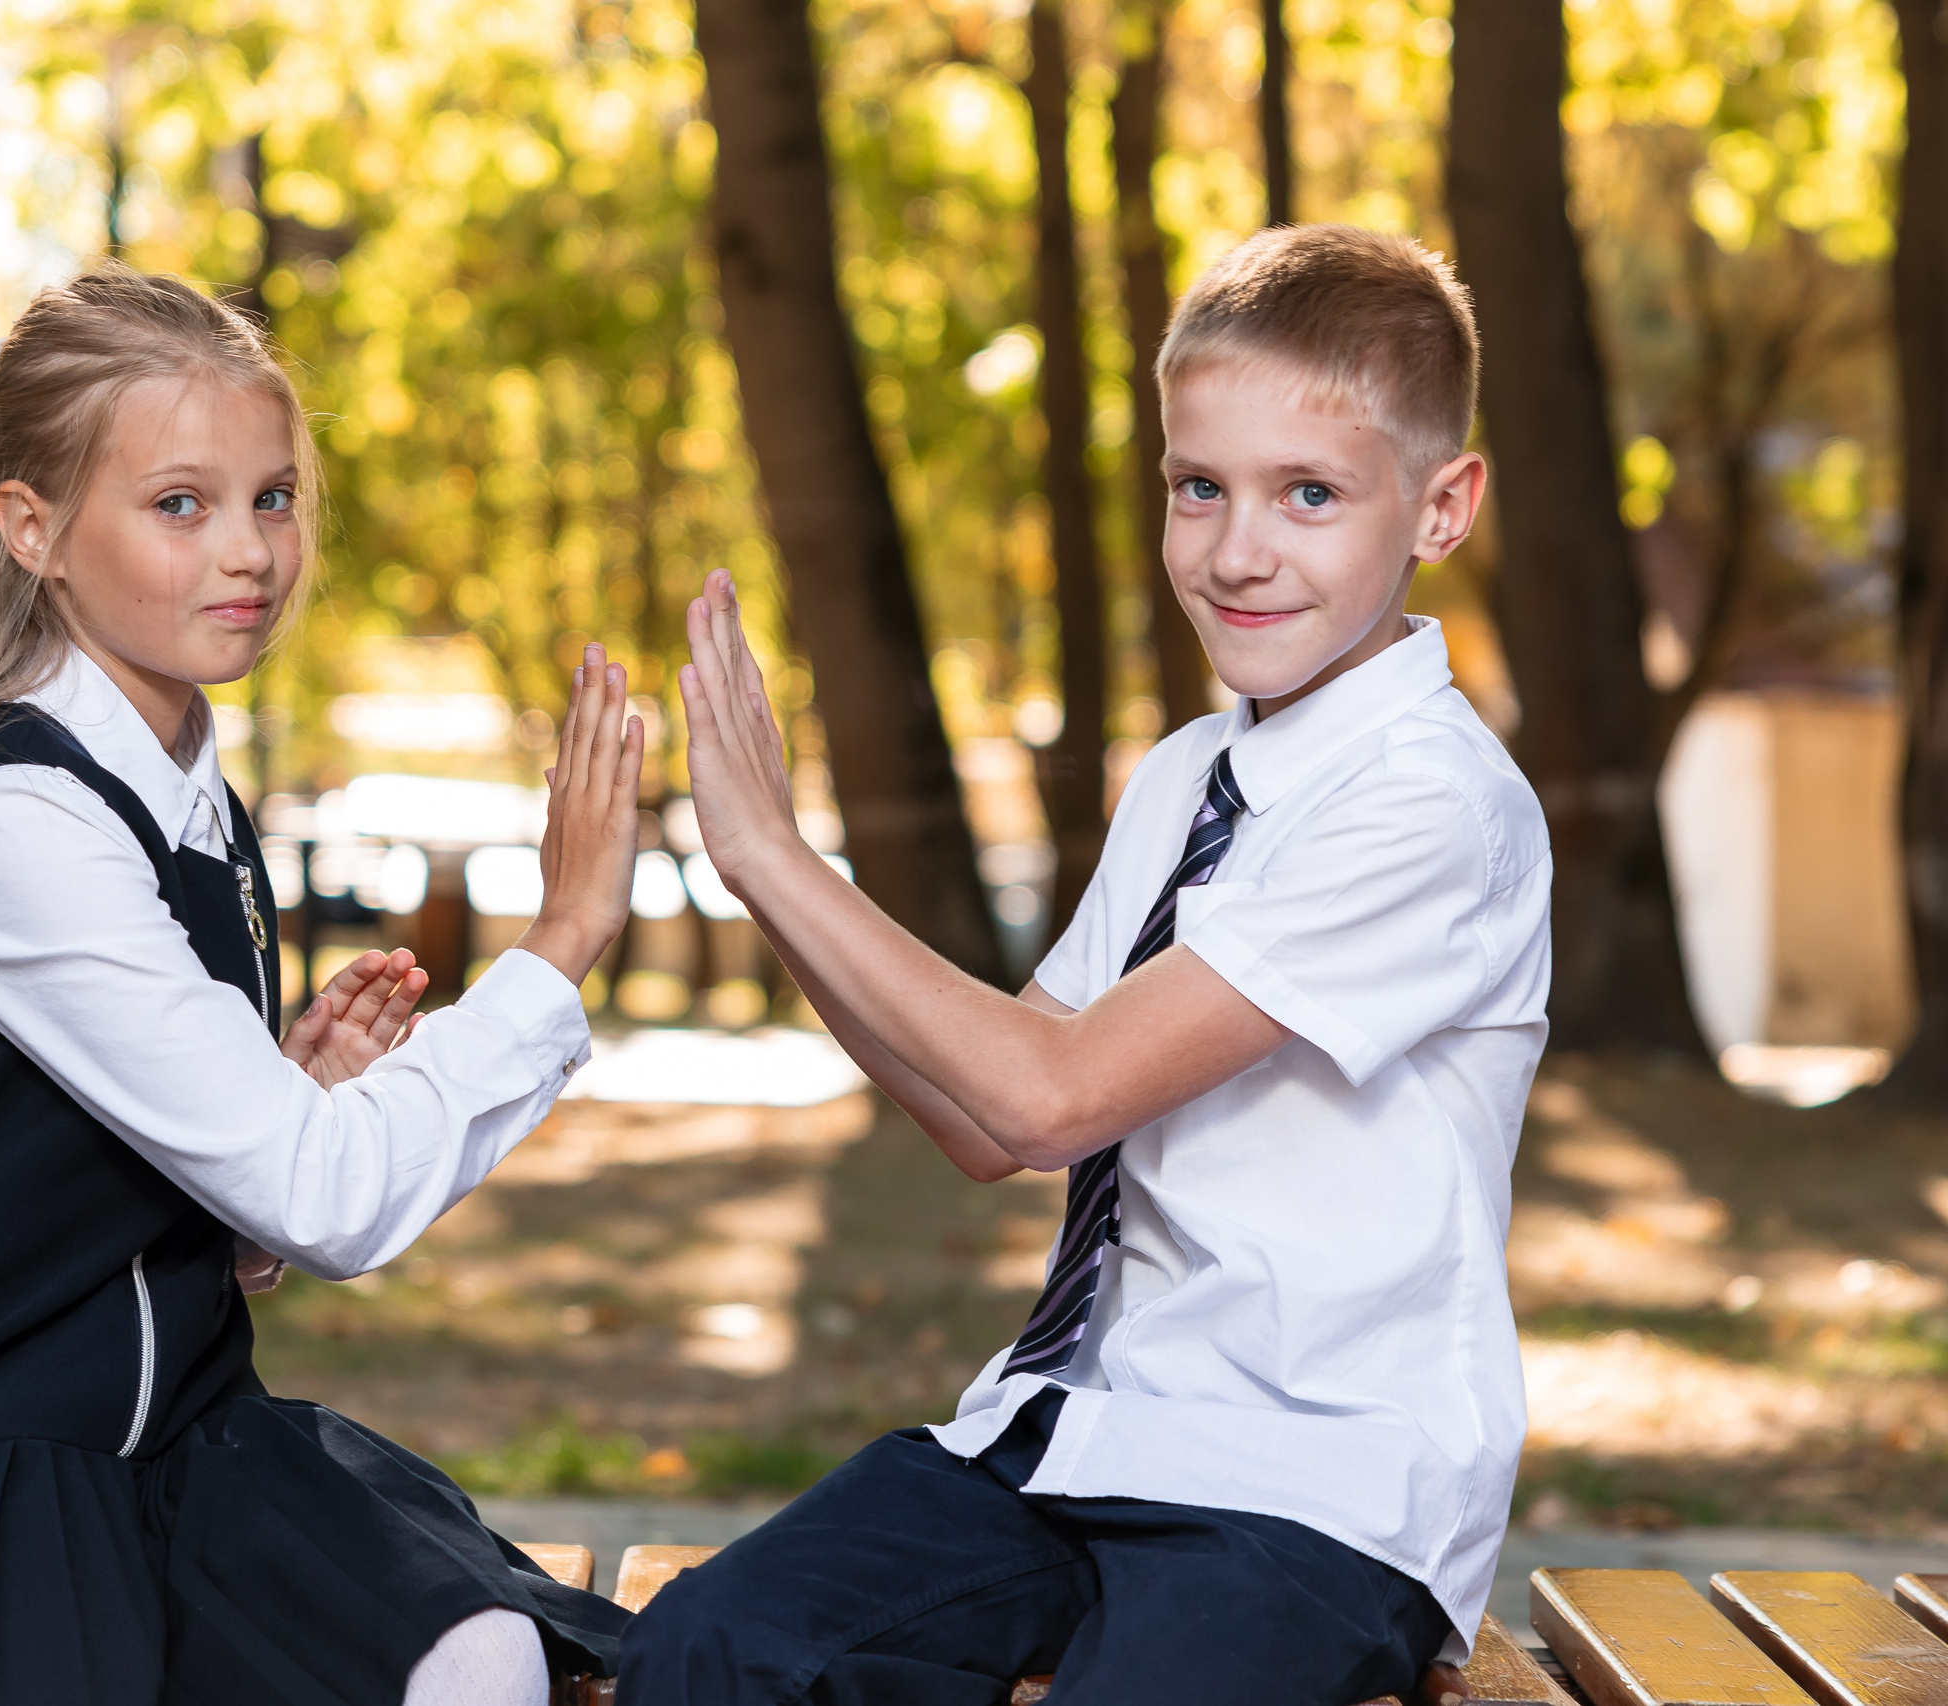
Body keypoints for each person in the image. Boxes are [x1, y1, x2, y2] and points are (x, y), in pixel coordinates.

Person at [629, 224, 1551, 1705]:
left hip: (1315, 1487)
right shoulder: (1189, 776)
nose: (1238, 550)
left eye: (1310, 494)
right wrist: (771, 886)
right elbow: (984, 1121)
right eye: (1200, 487)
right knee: (707, 1649)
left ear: (1441, 506)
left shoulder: (1431, 803)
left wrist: (781, 860)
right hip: (1082, 1433)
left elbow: (1053, 1095)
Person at [0, 269, 643, 1706]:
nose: (250, 550)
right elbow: (329, 1200)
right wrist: (560, 937)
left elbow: (199, 1217)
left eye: (273, 498)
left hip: (177, 1450)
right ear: (34, 529)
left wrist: (268, 1126)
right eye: (181, 505)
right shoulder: (20, 818)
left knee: (483, 1651)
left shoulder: (193, 793)